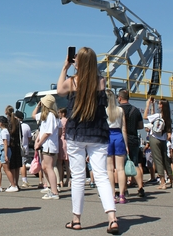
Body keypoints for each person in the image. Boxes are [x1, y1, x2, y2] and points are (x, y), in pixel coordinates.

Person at [56, 47, 119, 234]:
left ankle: (76, 219)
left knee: (78, 177)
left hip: (77, 134)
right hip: (98, 133)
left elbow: (59, 90)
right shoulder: (101, 81)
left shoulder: (72, 82)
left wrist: (65, 67)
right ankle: (112, 218)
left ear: (78, 62)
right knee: (101, 176)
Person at [117, 89, 146, 197]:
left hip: (121, 139)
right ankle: (140, 188)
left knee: (121, 166)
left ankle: (124, 189)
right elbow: (141, 126)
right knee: (135, 163)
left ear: (119, 98)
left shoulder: (118, 110)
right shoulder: (136, 110)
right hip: (134, 138)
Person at [32, 95, 60, 200]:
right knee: (44, 167)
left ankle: (54, 191)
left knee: (49, 167)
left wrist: (38, 143)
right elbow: (34, 116)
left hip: (49, 145)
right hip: (45, 145)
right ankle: (51, 188)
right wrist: (37, 106)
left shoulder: (51, 116)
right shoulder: (45, 115)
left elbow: (48, 132)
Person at [143, 97, 173, 190]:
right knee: (166, 160)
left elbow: (145, 117)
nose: (158, 105)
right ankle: (172, 181)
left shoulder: (157, 116)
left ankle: (162, 182)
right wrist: (153, 105)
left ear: (162, 106)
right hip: (163, 139)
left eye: (159, 104)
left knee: (158, 160)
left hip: (154, 138)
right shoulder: (167, 117)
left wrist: (147, 105)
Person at [105, 89, 129, 204]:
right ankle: (122, 195)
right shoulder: (120, 110)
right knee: (120, 168)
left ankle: (112, 195)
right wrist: (126, 144)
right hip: (118, 135)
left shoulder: (104, 111)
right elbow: (124, 128)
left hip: (108, 136)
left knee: (109, 168)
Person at [0, 116, 15, 192]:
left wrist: (5, 155)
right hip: (1, 150)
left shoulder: (4, 132)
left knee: (6, 169)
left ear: (0, 123)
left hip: (4, 151)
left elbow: (5, 144)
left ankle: (13, 185)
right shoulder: (3, 131)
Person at [5, 105, 22, 190]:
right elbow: (20, 135)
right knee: (17, 166)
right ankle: (17, 183)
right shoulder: (17, 121)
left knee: (11, 166)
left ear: (6, 112)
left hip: (10, 145)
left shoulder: (6, 122)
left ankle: (12, 183)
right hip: (17, 145)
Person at [15, 111, 32, 188]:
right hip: (24, 147)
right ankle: (24, 180)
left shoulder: (14, 125)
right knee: (23, 164)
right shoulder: (26, 126)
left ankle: (15, 182)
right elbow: (29, 138)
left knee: (16, 165)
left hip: (16, 147)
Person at [57, 107, 70, 188]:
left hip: (61, 141)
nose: (58, 114)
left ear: (63, 113)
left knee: (60, 162)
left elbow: (59, 132)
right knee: (67, 163)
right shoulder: (68, 121)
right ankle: (68, 180)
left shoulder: (61, 121)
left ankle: (60, 180)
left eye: (59, 113)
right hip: (67, 141)